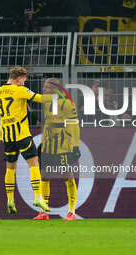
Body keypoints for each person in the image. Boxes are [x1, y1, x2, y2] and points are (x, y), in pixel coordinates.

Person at [0, 66, 51, 214]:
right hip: (21, 134)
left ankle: (10, 199)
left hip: (6, 135)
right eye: (24, 80)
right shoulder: (20, 90)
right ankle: (38, 196)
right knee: (34, 164)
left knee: (10, 168)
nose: (24, 83)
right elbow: (40, 98)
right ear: (18, 79)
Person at [33, 78, 80, 221]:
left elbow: (74, 125)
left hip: (62, 145)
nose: (43, 89)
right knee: (45, 175)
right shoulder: (48, 102)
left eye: (47, 87)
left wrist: (75, 146)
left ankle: (72, 212)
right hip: (48, 145)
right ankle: (43, 211)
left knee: (68, 176)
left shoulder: (67, 103)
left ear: (55, 89)